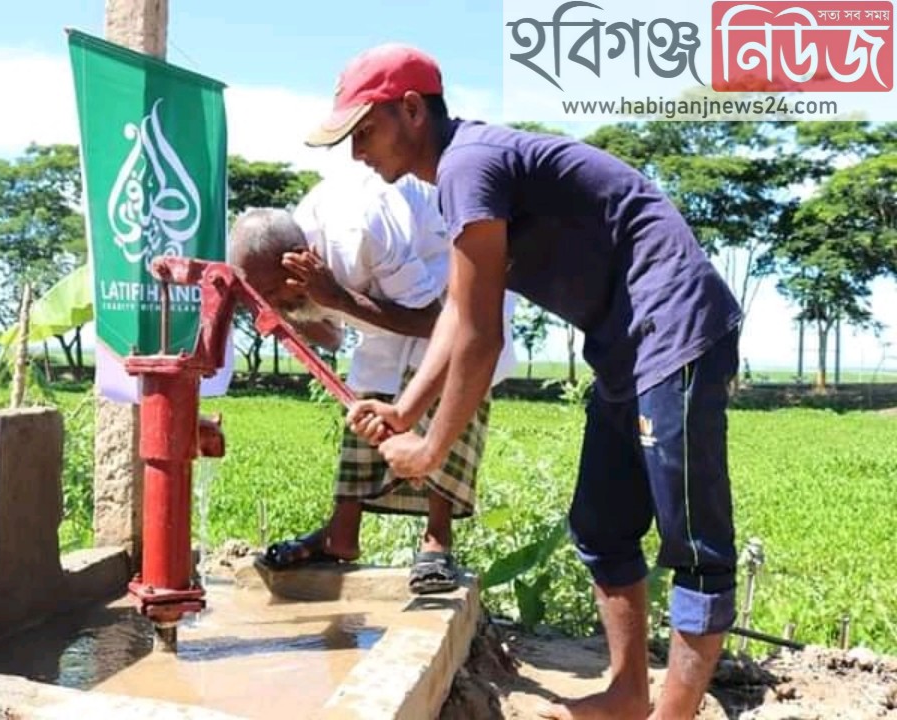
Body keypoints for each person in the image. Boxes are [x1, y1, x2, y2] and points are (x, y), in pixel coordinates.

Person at [305, 44, 743, 720]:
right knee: (600, 525)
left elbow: (484, 337)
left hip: (677, 332)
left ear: (412, 111)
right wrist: (404, 411)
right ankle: (629, 694)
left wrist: (429, 451)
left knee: (694, 544)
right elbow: (456, 309)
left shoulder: (467, 167)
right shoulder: (461, 174)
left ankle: (672, 714)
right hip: (624, 348)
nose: (356, 152)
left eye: (364, 131)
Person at [229, 169, 516, 594]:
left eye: (273, 291)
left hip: (447, 290)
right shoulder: (297, 263)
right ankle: (340, 535)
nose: (272, 303)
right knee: (366, 391)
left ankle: (437, 541)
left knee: (441, 385)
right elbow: (331, 334)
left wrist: (339, 298)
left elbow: (434, 323)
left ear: (297, 260)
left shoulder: (363, 228)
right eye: (261, 297)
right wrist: (287, 313)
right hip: (385, 304)